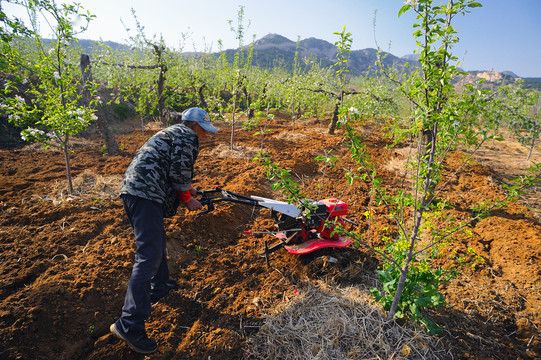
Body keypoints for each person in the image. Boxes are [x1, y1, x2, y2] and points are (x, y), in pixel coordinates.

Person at [110, 107, 218, 354]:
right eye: (204, 130)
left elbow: (173, 171)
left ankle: (159, 287)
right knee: (148, 255)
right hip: (145, 193)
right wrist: (187, 199)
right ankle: (129, 324)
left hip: (137, 190)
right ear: (195, 126)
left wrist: (190, 192)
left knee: (156, 242)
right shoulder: (186, 135)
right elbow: (179, 171)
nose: (205, 135)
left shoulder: (172, 132)